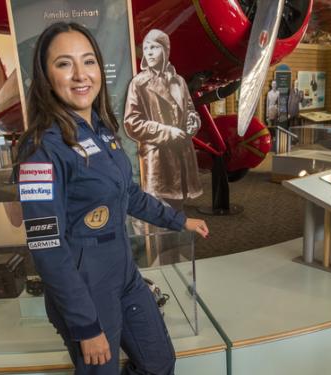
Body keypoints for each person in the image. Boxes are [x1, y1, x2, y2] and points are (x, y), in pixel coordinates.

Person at [16, 22, 209, 375]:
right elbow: (46, 246)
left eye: (88, 61)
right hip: (86, 291)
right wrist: (85, 325)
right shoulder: (41, 150)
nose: (80, 75)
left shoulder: (103, 132)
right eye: (64, 64)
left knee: (159, 363)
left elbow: (130, 194)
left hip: (124, 275)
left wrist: (179, 220)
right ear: (45, 76)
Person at [124, 29, 202, 211]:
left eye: (154, 47)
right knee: (158, 216)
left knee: (178, 212)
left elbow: (191, 109)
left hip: (182, 159)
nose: (149, 52)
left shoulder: (180, 81)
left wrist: (193, 121)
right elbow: (131, 123)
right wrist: (167, 131)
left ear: (165, 50)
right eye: (145, 48)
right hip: (158, 161)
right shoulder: (139, 83)